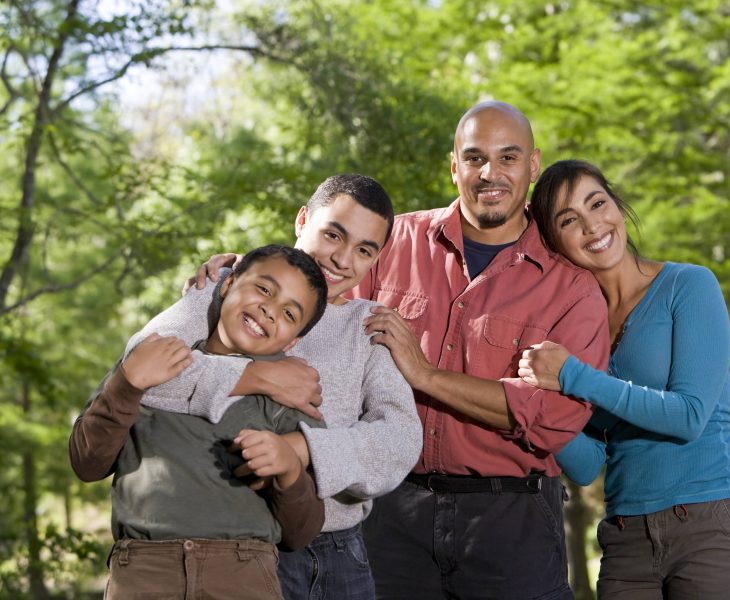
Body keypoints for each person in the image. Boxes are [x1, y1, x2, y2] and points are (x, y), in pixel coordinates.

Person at [348, 101, 610, 599]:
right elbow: (319, 291)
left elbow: (556, 417)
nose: (490, 173)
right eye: (474, 158)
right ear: (454, 167)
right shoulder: (392, 241)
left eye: (508, 158)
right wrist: (237, 273)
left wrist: (425, 375)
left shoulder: (572, 286)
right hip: (389, 514)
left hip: (512, 524)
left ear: (532, 166)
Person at [131, 174, 421, 600]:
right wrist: (257, 376)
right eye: (332, 234)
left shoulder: (368, 325)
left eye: (363, 250)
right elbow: (139, 365)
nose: (342, 259)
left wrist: (302, 449)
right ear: (302, 219)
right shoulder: (232, 287)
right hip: (242, 546)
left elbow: (400, 439)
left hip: (343, 553)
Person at [518, 158, 730, 599]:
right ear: (554, 242)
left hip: (711, 526)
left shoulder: (688, 286)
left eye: (597, 203)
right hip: (626, 538)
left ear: (617, 205)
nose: (593, 226)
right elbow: (587, 464)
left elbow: (690, 416)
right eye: (569, 220)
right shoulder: (576, 334)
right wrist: (528, 404)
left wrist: (574, 376)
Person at [69, 245, 329, 600]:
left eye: (289, 313)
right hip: (143, 573)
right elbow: (87, 463)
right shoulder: (153, 360)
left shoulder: (289, 396)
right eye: (264, 289)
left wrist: (288, 471)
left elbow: (302, 533)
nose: (270, 310)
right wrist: (126, 386)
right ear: (227, 284)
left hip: (242, 576)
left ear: (295, 338)